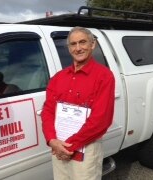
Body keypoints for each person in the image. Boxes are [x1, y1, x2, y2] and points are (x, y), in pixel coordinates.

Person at [41, 26, 115, 180]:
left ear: (92, 45)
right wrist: (52, 140)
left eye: (83, 42)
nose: (78, 48)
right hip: (59, 146)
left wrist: (71, 145)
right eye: (73, 44)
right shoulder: (58, 78)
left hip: (85, 149)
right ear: (68, 48)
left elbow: (101, 120)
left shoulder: (104, 76)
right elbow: (48, 110)